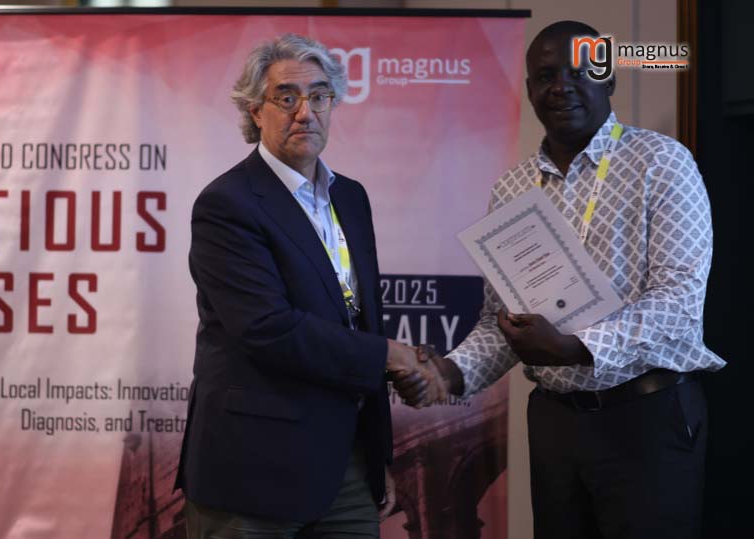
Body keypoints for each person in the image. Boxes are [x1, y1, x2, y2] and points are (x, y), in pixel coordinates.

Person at [399, 20, 726, 539]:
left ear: (608, 77)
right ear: (529, 88)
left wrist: (575, 348)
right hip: (556, 425)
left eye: (579, 72)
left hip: (647, 418)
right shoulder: (512, 188)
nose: (561, 86)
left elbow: (678, 302)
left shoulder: (661, 162)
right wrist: (450, 372)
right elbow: (501, 320)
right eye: (545, 75)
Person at [174, 33, 439, 538]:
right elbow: (267, 329)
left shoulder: (352, 198)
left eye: (319, 96)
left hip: (346, 466)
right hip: (252, 472)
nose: (305, 112)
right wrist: (390, 355)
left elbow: (358, 320)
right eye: (286, 97)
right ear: (255, 110)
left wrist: (377, 453)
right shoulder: (227, 203)